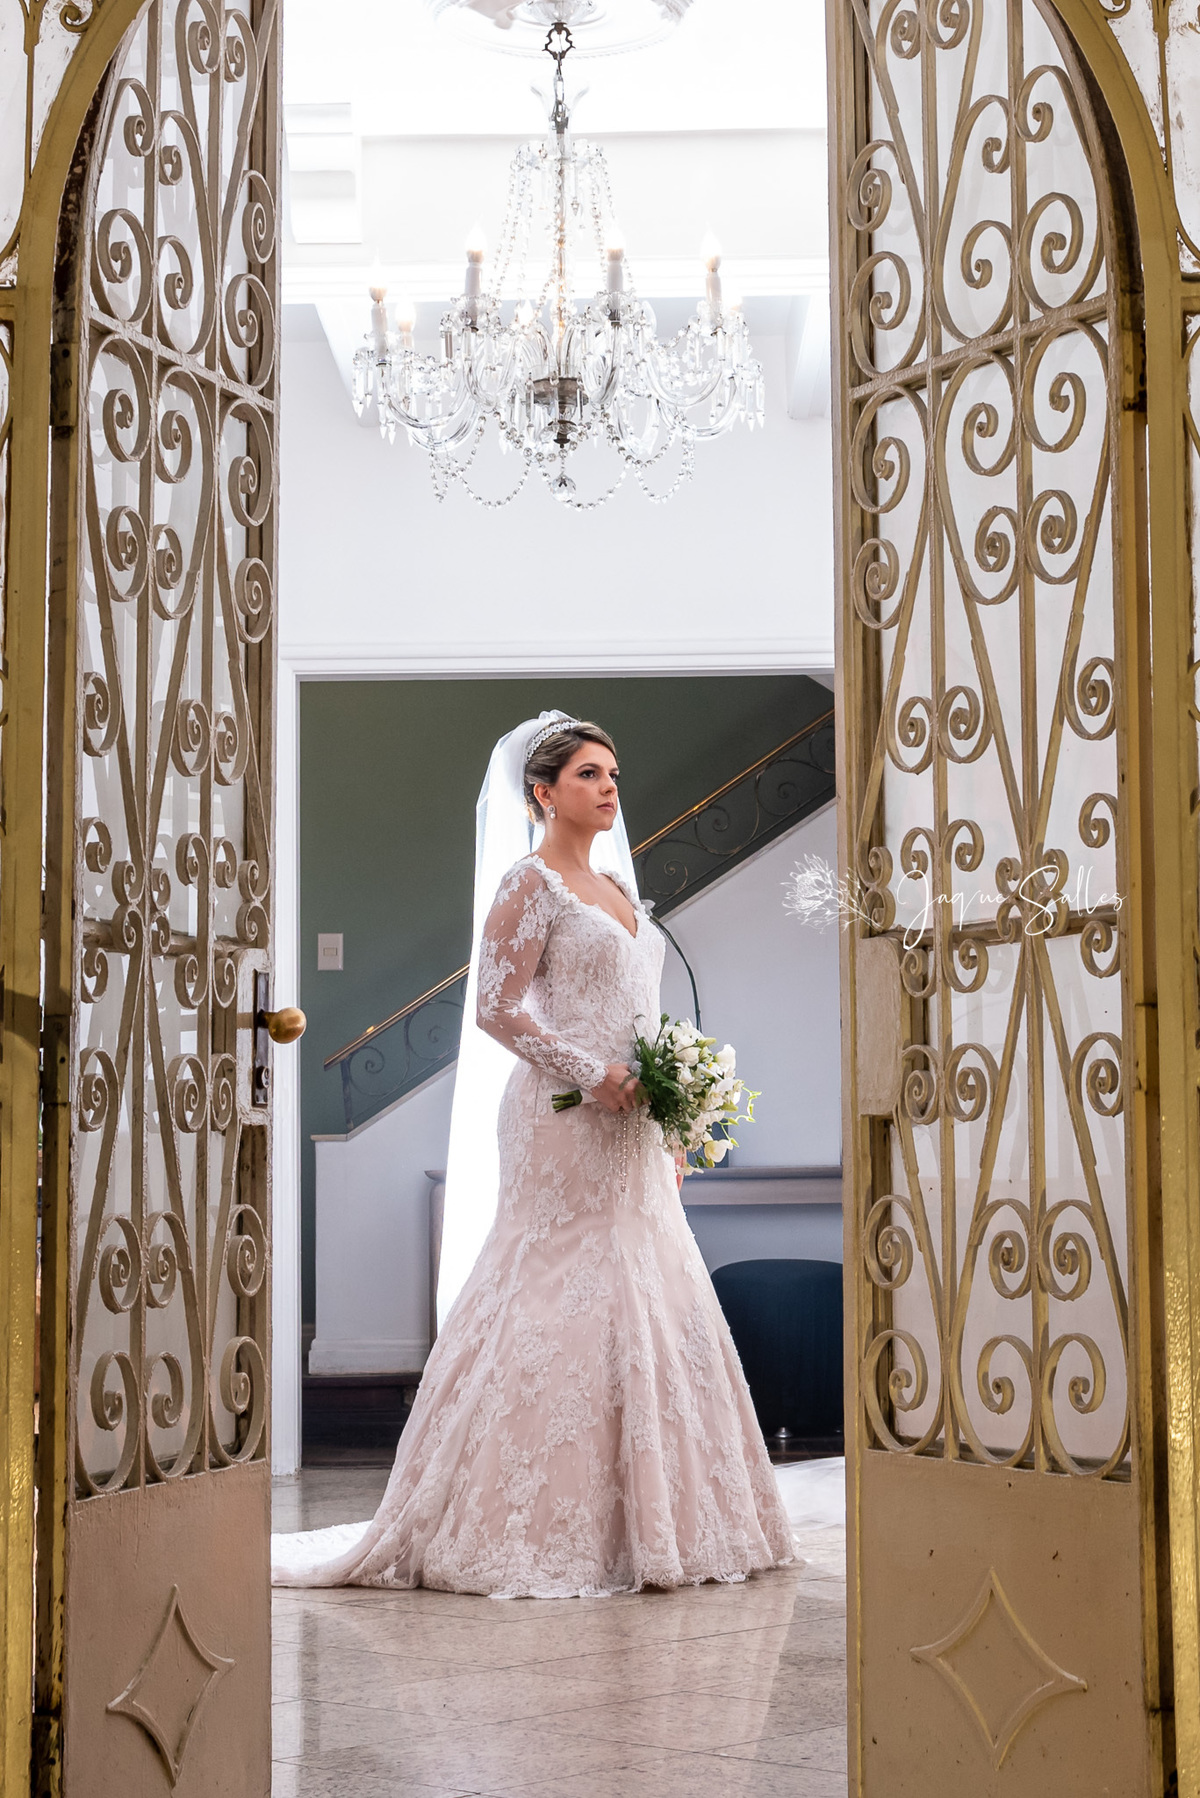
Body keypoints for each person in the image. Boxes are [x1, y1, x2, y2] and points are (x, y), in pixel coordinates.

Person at [271, 712, 793, 1597]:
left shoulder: (619, 888)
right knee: (551, 1284)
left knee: (647, 1283)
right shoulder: (530, 883)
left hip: (633, 1122)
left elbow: (641, 1014)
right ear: (542, 794)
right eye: (589, 773)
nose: (609, 786)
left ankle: (659, 1519)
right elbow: (496, 1008)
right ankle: (520, 1517)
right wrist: (591, 1074)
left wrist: (671, 1115)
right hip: (560, 1116)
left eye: (613, 773)